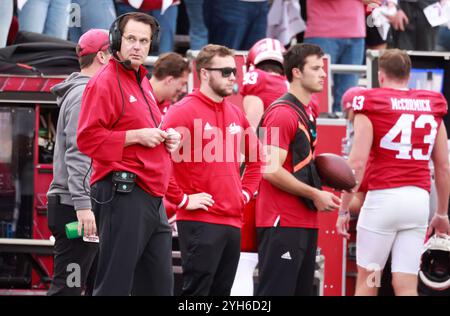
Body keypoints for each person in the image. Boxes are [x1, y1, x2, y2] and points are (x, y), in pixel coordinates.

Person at [77, 12, 181, 296]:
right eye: (131, 38)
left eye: (144, 41)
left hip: (152, 197)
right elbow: (87, 139)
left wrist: (165, 140)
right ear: (116, 41)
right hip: (122, 194)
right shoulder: (104, 81)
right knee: (114, 285)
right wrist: (137, 136)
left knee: (159, 287)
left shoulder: (143, 81)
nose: (137, 46)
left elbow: (145, 132)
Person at [336, 49, 450, 296]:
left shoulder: (370, 102)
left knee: (370, 280)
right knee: (405, 285)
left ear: (381, 76)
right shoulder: (431, 104)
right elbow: (442, 165)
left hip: (383, 201)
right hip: (417, 202)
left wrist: (343, 208)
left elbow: (356, 162)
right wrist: (442, 212)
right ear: (408, 75)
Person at [162, 44, 264, 296]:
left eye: (235, 72)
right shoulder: (182, 111)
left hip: (232, 221)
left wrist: (244, 194)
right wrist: (182, 199)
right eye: (226, 71)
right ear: (204, 73)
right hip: (199, 222)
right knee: (197, 295)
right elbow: (157, 160)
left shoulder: (234, 112)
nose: (233, 78)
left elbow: (257, 159)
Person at [255, 43, 341, 296]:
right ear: (296, 72)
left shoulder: (306, 111)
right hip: (281, 221)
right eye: (315, 68)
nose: (323, 73)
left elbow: (297, 164)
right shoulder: (282, 112)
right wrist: (315, 194)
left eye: (323, 67)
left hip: (302, 220)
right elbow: (269, 170)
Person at [47, 29, 111, 296]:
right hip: (76, 207)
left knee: (90, 285)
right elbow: (79, 152)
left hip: (79, 205)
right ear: (103, 57)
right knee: (68, 289)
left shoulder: (86, 91)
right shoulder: (85, 93)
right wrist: (84, 206)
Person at [231, 37, 288, 296]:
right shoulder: (294, 88)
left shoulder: (257, 80)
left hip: (260, 180)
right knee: (279, 264)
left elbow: (249, 134)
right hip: (287, 183)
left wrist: (236, 172)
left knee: (243, 260)